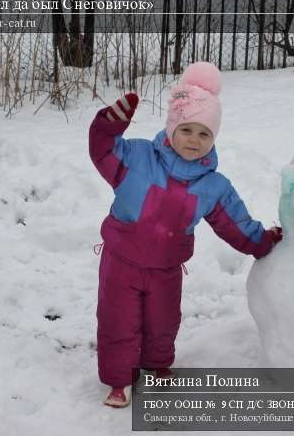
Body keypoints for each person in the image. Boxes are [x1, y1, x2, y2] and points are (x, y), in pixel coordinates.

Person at [88, 62, 283, 408]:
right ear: (172, 127)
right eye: (187, 130)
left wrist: (262, 242)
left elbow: (234, 223)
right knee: (119, 320)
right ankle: (119, 381)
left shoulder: (212, 186)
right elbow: (102, 150)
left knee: (163, 320)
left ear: (214, 138)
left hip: (166, 268)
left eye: (204, 134)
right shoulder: (137, 157)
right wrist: (108, 125)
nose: (194, 140)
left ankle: (157, 364)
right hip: (122, 263)